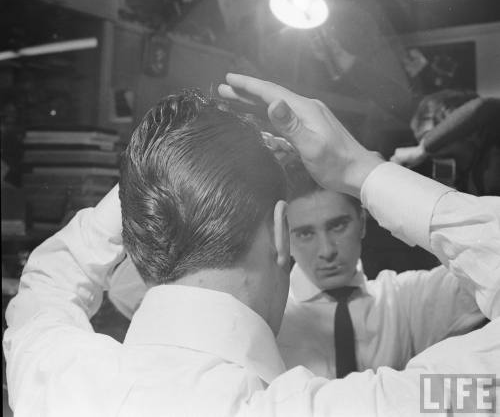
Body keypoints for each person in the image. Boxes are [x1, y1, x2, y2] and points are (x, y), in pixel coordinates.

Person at [3, 76, 500, 416]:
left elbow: (46, 285)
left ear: (140, 231)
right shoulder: (376, 406)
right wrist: (361, 170)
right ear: (284, 233)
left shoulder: (50, 370)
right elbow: (485, 386)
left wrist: (154, 179)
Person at [277, 159, 484, 377]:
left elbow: (488, 261)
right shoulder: (273, 322)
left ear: (362, 224)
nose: (327, 250)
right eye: (305, 234)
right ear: (285, 240)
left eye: (338, 226)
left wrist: (384, 179)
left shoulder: (402, 299)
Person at [391, 91, 500, 196]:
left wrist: (421, 149)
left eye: (433, 136)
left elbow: (484, 106)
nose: (433, 153)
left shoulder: (493, 135)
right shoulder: (464, 182)